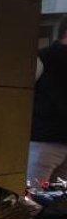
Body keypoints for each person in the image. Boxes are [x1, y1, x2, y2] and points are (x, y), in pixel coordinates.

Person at [29, 17, 67, 189]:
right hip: (45, 144)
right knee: (55, 205)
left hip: (42, 144)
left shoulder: (42, 57)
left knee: (31, 201)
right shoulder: (43, 57)